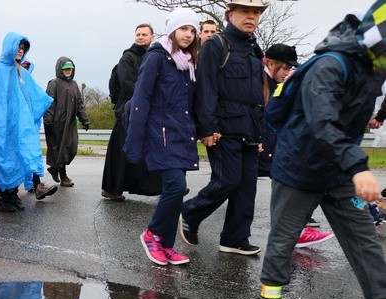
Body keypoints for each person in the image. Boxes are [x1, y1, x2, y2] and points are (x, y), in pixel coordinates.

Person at [255, 4, 386, 299]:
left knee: (364, 239)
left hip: (339, 172)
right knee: (283, 240)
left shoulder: (375, 66)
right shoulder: (330, 65)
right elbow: (321, 122)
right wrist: (358, 167)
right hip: (299, 168)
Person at [180, 0, 268, 256]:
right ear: (230, 14)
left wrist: (260, 133)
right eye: (245, 12)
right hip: (223, 128)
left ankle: (234, 238)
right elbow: (205, 89)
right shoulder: (216, 45)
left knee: (247, 187)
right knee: (228, 180)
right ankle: (190, 212)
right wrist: (207, 128)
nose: (251, 17)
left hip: (250, 129)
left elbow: (258, 95)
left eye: (256, 13)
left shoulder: (254, 49)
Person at [125, 7, 201, 266]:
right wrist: (134, 140)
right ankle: (152, 233)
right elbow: (141, 98)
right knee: (176, 186)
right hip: (160, 135)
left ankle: (166, 246)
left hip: (181, 136)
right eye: (183, 29)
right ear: (172, 30)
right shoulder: (156, 57)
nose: (188, 34)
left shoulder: (187, 63)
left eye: (192, 30)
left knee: (176, 190)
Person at [259, 43, 335, 248]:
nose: (287, 72)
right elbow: (263, 114)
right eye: (284, 68)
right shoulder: (260, 81)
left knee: (288, 185)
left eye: (290, 68)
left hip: (273, 145)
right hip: (258, 143)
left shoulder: (280, 82)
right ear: (271, 63)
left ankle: (296, 231)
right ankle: (192, 213)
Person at [0, 32, 55, 213]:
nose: (20, 51)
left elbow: (32, 98)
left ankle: (11, 195)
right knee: (2, 158)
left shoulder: (21, 72)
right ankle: (5, 196)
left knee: (18, 158)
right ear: (9, 47)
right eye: (18, 47)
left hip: (18, 127)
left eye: (23, 48)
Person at [102, 23, 156, 201]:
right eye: (138, 34)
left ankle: (165, 186)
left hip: (146, 110)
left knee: (150, 150)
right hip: (127, 112)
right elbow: (127, 84)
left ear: (152, 37)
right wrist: (146, 100)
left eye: (144, 34)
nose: (140, 37)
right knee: (120, 154)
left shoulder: (154, 56)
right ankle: (112, 189)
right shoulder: (128, 58)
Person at [43, 57, 90, 187]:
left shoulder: (74, 84)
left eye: (70, 68)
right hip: (56, 123)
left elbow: (79, 104)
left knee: (72, 147)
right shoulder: (54, 83)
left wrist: (84, 119)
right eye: (65, 69)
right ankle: (63, 176)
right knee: (60, 149)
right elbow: (49, 103)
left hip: (70, 123)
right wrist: (48, 120)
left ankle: (54, 168)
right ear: (60, 69)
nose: (68, 71)